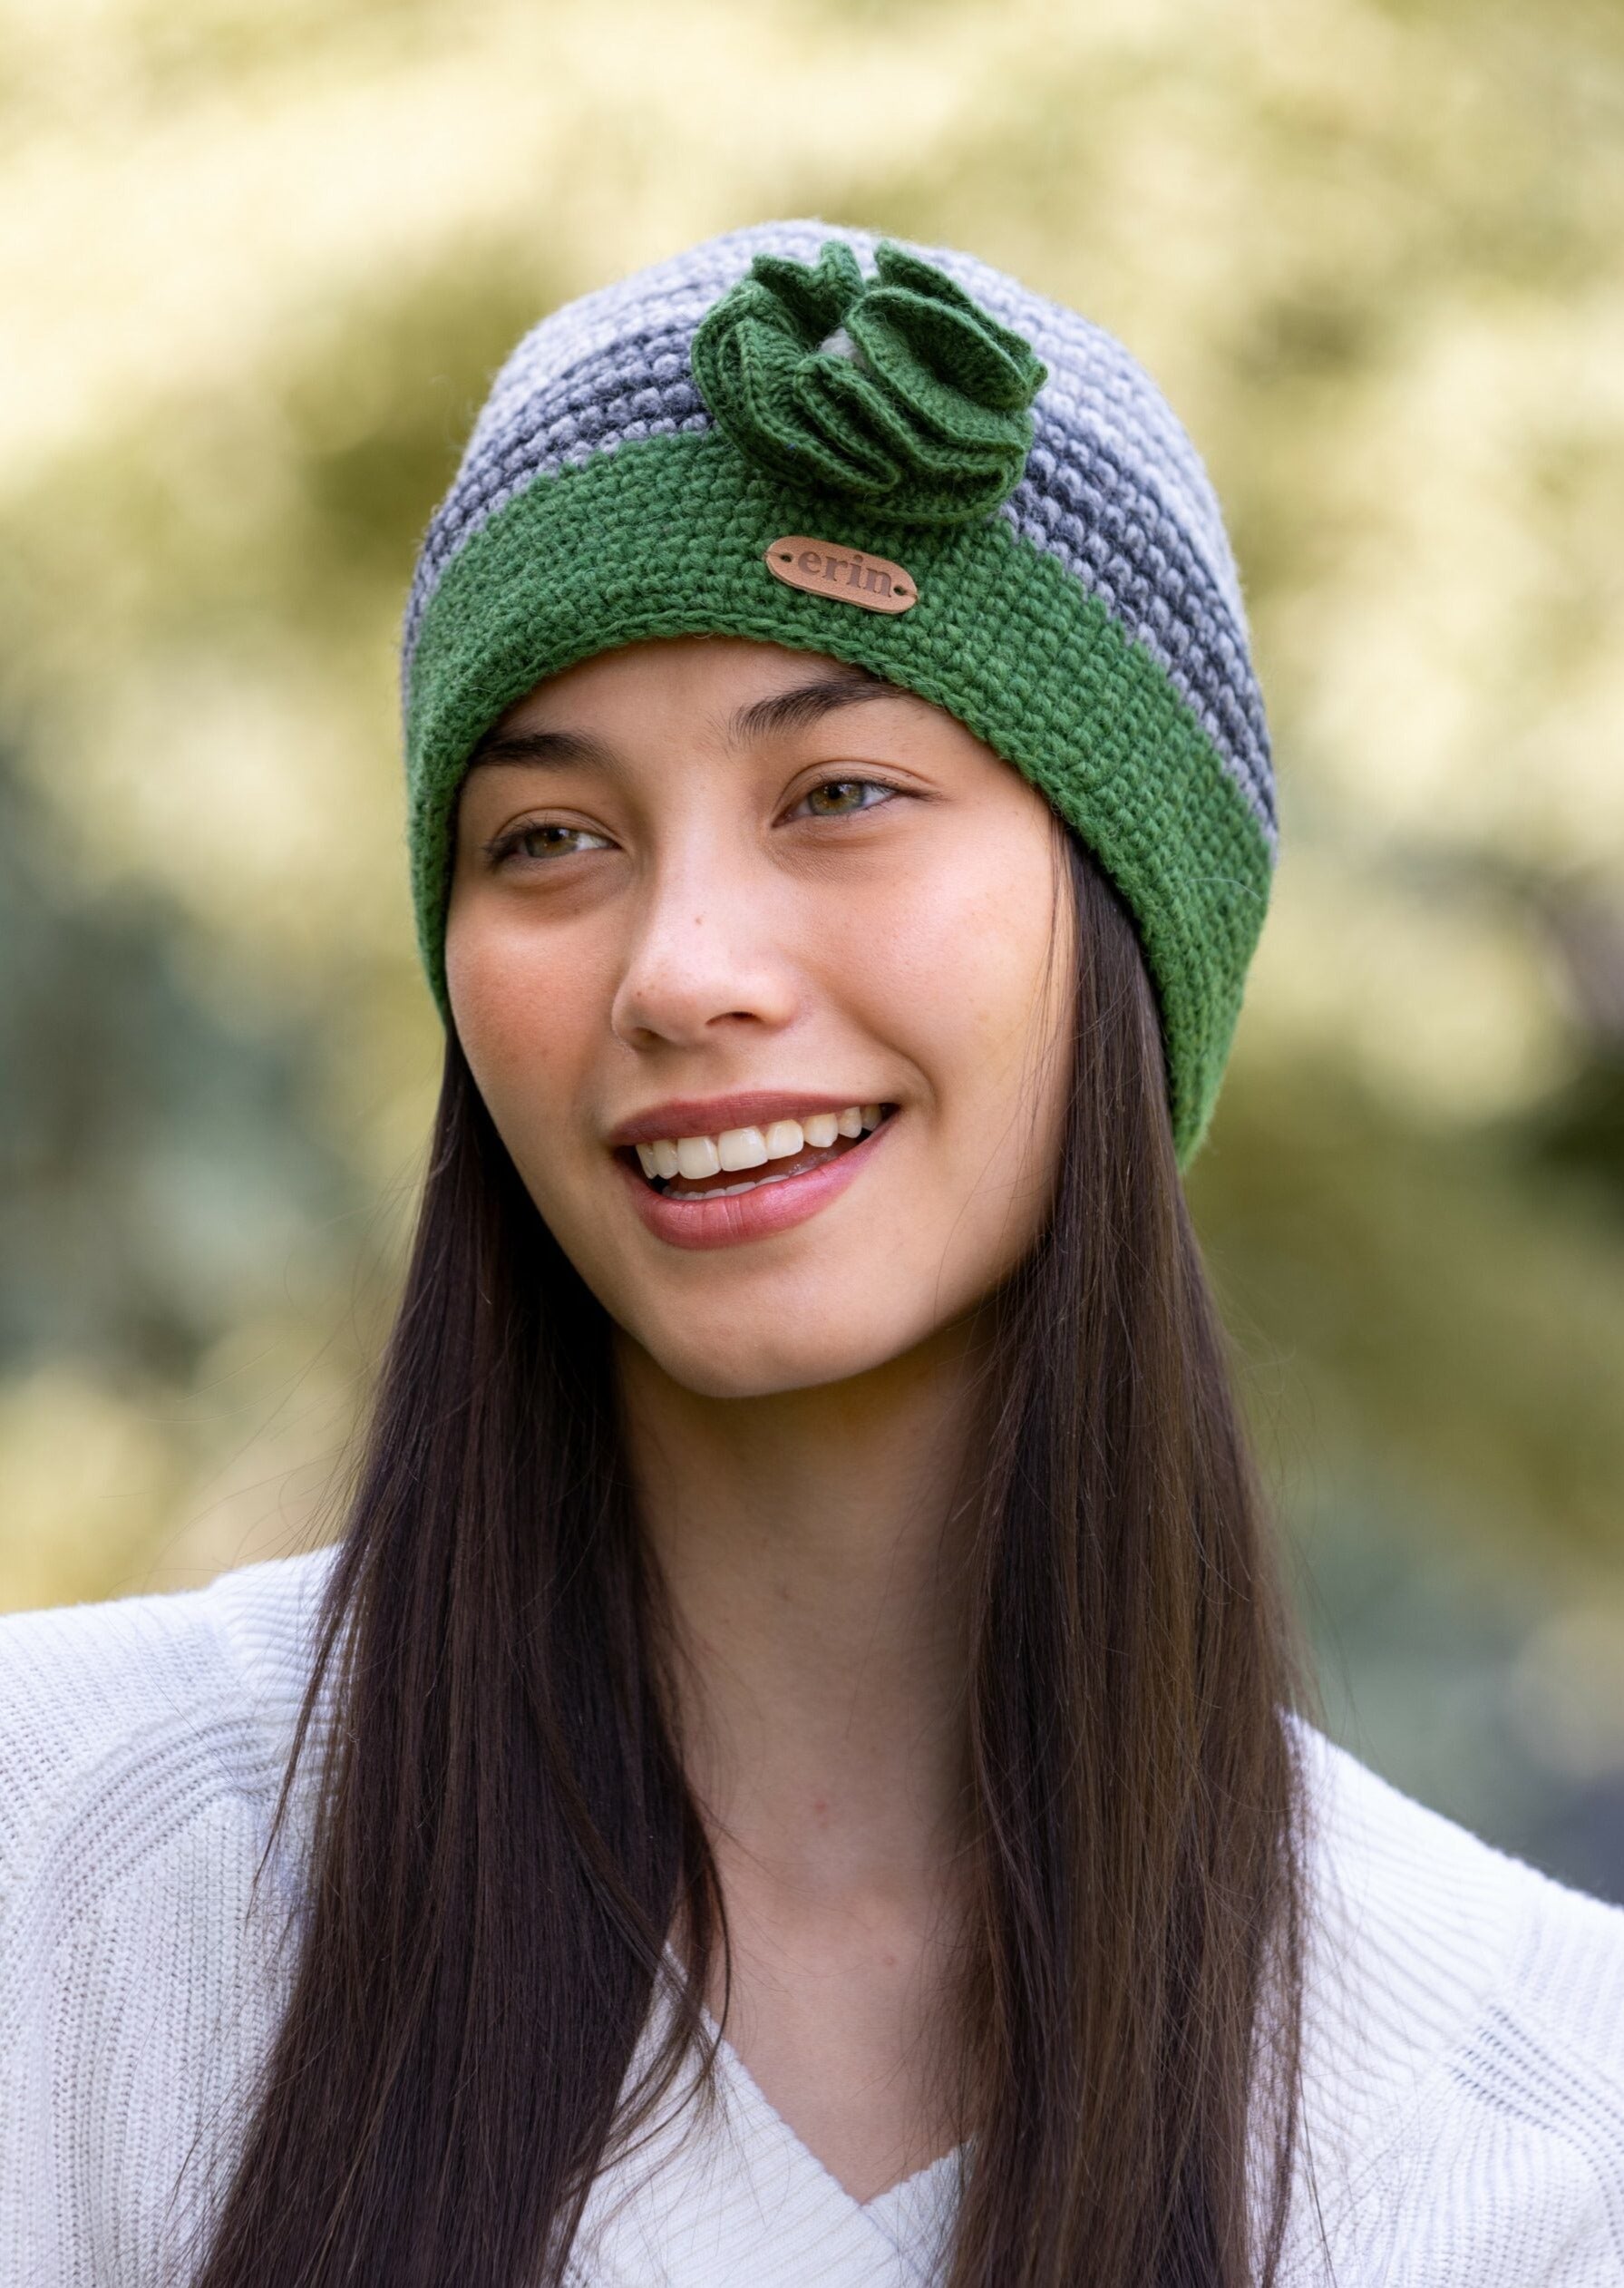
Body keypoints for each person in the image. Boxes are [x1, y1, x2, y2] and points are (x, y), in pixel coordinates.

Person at [3, 221, 1621, 2288]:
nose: (681, 971)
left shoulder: (1543, 2125)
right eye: (549, 838)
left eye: (841, 790)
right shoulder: (58, 1864)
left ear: (1133, 926)